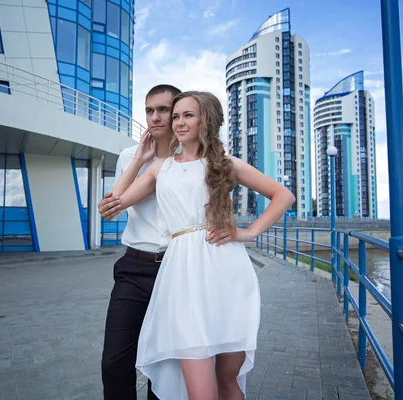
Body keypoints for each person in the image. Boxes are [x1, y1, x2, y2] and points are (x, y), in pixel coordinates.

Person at [106, 91, 296, 400]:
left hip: (227, 272)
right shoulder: (160, 168)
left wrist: (248, 233)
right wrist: (139, 160)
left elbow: (283, 196)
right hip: (181, 274)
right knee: (201, 392)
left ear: (205, 120)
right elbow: (112, 204)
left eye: (188, 115)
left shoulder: (224, 163)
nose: (179, 122)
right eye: (176, 115)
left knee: (227, 382)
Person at [99, 84, 182, 400]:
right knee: (114, 362)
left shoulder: (189, 158)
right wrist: (139, 159)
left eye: (163, 110)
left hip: (176, 268)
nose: (156, 117)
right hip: (134, 267)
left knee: (164, 365)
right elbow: (110, 208)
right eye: (150, 110)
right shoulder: (127, 157)